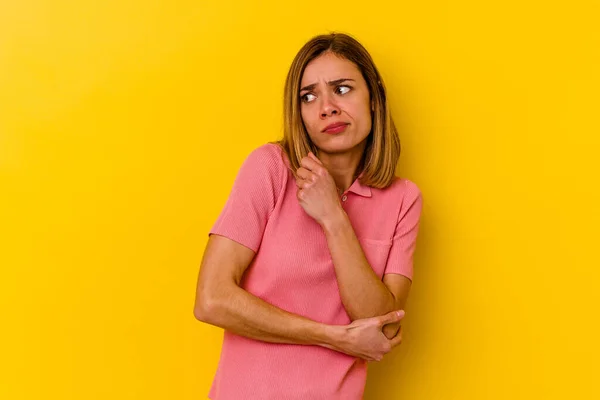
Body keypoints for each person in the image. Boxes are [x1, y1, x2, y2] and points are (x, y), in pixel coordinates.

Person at [193, 32, 423, 400]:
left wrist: (333, 217)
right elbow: (211, 299)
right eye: (309, 96)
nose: (327, 107)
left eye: (343, 89)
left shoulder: (402, 199)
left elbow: (383, 328)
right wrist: (331, 336)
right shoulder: (270, 168)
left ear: (374, 97)